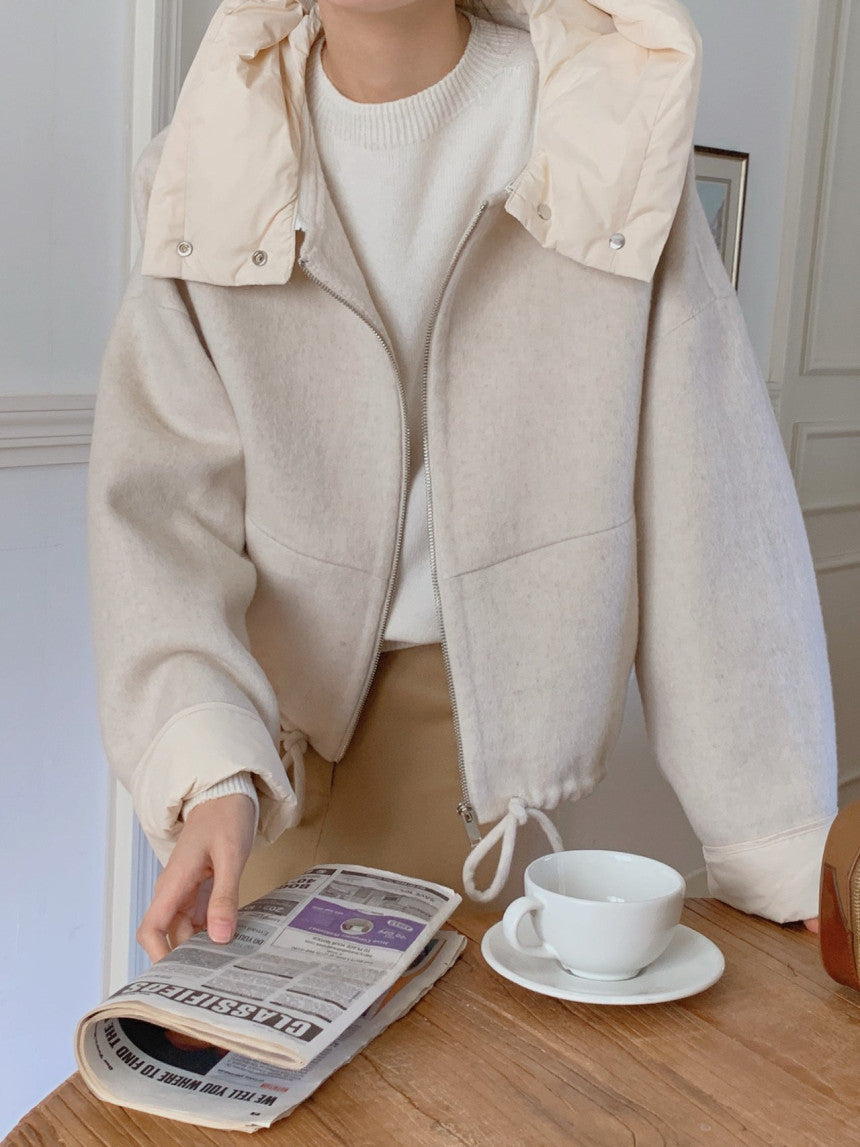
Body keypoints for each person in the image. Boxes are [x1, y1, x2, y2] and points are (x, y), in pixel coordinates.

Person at [87, 0, 835, 965]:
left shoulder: (602, 129)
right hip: (271, 769)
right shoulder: (210, 158)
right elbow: (158, 518)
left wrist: (783, 842)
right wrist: (205, 765)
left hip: (499, 782)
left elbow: (712, 503)